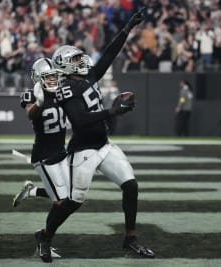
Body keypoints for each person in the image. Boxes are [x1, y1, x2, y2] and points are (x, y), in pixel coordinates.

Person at [37, 7, 153, 262]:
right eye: (76, 59)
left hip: (103, 144)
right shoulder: (64, 88)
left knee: (131, 186)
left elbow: (110, 53)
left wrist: (127, 29)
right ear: (65, 65)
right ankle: (45, 236)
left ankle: (130, 238)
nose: (82, 61)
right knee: (72, 202)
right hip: (84, 149)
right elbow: (79, 119)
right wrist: (112, 111)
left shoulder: (88, 75)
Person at [17, 57, 70, 262]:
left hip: (61, 151)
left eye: (54, 76)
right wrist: (39, 103)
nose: (52, 80)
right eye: (47, 76)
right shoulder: (32, 94)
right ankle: (44, 238)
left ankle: (31, 192)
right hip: (44, 156)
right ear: (38, 78)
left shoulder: (61, 92)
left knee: (73, 197)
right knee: (61, 201)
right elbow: (30, 114)